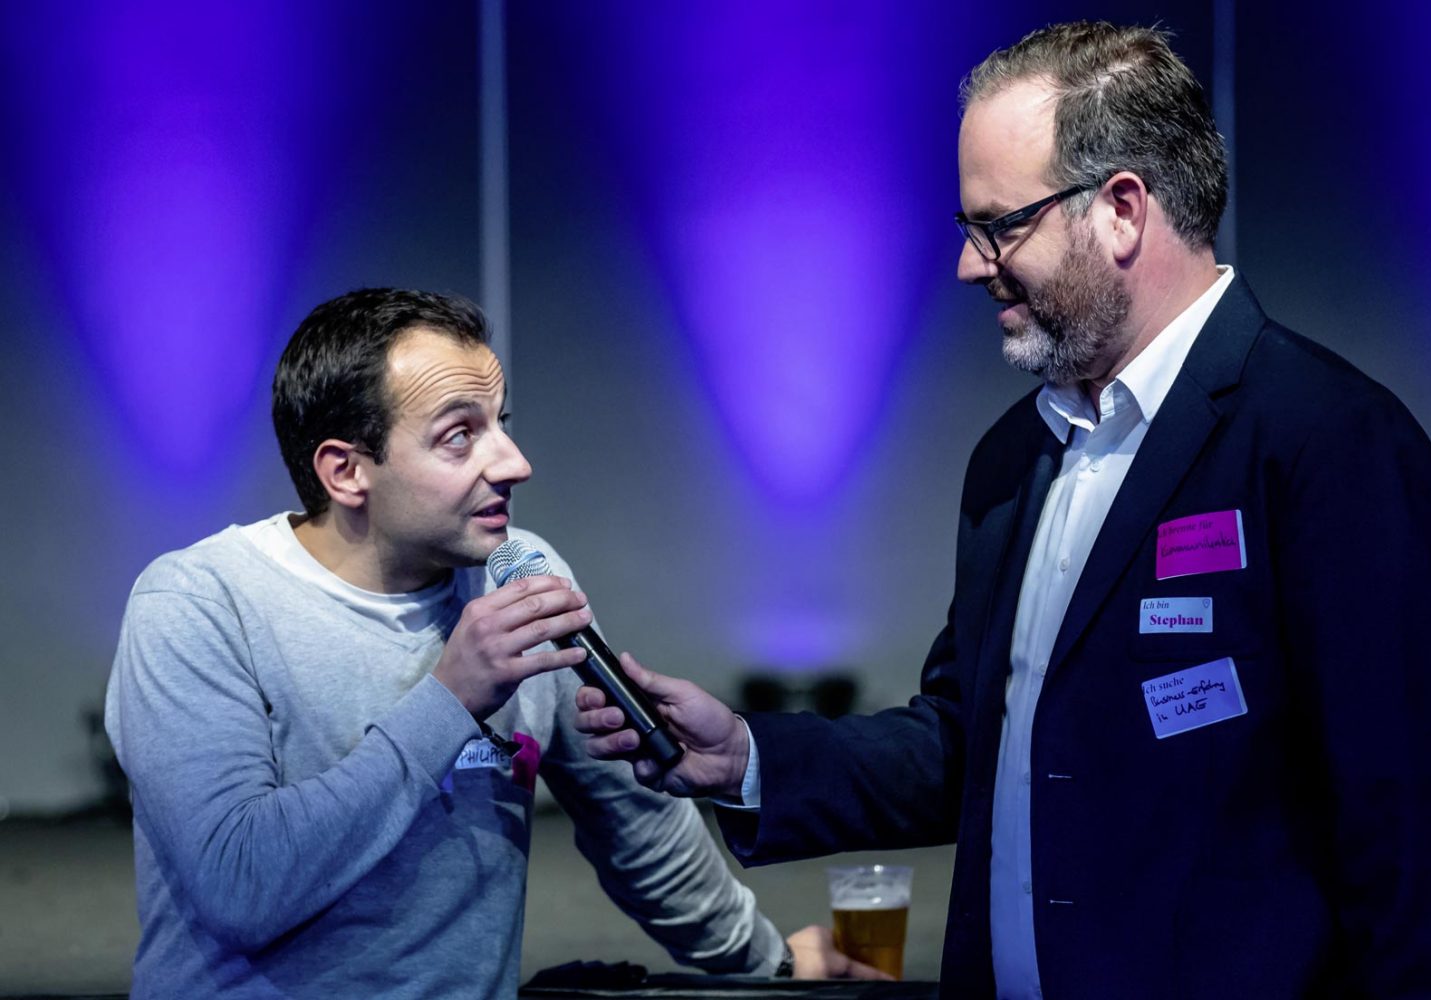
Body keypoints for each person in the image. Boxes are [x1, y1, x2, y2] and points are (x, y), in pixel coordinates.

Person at [576, 21, 1431, 999]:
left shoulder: (1326, 439)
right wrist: (747, 756)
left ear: (1122, 210)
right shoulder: (1014, 459)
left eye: (1001, 224)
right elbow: (967, 743)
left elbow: (1409, 826)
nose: (971, 266)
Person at [104, 288, 878, 998]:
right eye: (459, 436)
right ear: (345, 472)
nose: (514, 463)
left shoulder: (518, 578)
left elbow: (638, 824)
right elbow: (240, 884)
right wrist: (450, 701)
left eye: (501, 424)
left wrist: (769, 963)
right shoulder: (199, 603)